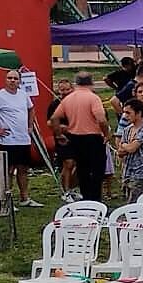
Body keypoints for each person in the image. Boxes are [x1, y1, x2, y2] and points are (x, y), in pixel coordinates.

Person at [51, 72, 110, 203]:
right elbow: (101, 119)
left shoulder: (68, 99)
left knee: (82, 170)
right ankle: (95, 199)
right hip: (93, 138)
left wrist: (59, 134)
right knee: (97, 171)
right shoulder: (93, 98)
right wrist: (106, 134)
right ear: (91, 83)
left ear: (76, 84)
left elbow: (54, 118)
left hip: (75, 138)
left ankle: (85, 198)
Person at [0, 67, 37, 208]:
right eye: (10, 78)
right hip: (8, 140)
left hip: (23, 139)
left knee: (23, 169)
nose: (12, 81)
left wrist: (30, 126)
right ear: (5, 80)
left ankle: (25, 197)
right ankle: (7, 199)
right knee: (9, 170)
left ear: (19, 81)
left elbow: (31, 108)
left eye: (15, 78)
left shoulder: (23, 94)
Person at [115, 99, 143, 202]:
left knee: (136, 202)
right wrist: (126, 147)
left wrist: (124, 145)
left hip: (141, 172)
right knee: (128, 199)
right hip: (128, 170)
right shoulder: (127, 129)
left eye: (128, 113)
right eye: (124, 112)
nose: (125, 116)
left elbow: (132, 148)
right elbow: (120, 152)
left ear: (138, 113)